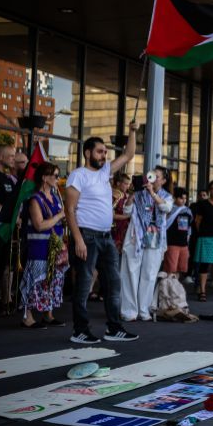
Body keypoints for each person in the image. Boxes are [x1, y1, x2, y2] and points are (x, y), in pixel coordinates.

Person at [65, 121, 139, 344]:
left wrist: (132, 131)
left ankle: (114, 328)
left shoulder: (105, 171)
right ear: (88, 153)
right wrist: (78, 239)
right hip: (86, 236)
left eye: (105, 152)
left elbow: (129, 154)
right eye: (100, 151)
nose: (104, 155)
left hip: (106, 237)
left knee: (113, 283)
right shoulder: (78, 175)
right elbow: (69, 210)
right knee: (84, 285)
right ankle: (80, 331)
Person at [119, 166, 172, 321]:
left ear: (163, 180)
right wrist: (132, 194)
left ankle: (144, 310)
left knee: (149, 274)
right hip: (136, 235)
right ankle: (129, 311)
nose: (152, 179)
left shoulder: (166, 196)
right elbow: (126, 211)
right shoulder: (139, 194)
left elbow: (165, 207)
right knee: (130, 271)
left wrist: (152, 193)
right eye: (151, 175)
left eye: (156, 176)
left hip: (155, 236)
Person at [19, 163, 67, 329]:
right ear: (44, 178)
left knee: (52, 280)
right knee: (35, 280)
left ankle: (48, 314)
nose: (58, 179)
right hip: (39, 247)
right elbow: (39, 225)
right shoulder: (35, 199)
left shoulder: (55, 197)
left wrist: (64, 218)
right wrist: (59, 216)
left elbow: (58, 220)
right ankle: (27, 317)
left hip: (55, 247)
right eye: (55, 176)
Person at [0, 144, 16, 313]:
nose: (13, 159)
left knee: (2, 266)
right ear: (0, 156)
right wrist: (7, 215)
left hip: (7, 229)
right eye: (11, 156)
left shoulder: (7, 178)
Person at [163, 187, 193, 280]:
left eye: (185, 198)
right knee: (170, 269)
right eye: (181, 198)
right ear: (174, 198)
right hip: (172, 243)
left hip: (183, 244)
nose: (184, 200)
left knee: (180, 268)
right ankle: (168, 286)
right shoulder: (169, 209)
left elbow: (189, 227)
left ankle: (176, 286)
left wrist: (188, 241)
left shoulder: (188, 211)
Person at [111, 173, 131, 253]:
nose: (128, 186)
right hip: (114, 229)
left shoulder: (127, 196)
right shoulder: (113, 195)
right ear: (118, 183)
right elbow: (111, 215)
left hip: (124, 230)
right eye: (125, 184)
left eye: (128, 184)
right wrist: (128, 216)